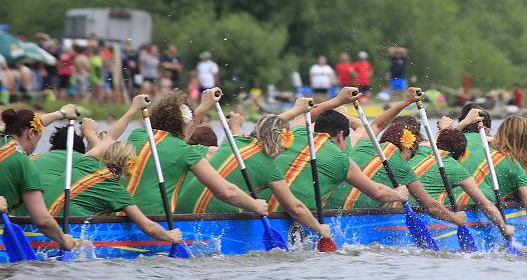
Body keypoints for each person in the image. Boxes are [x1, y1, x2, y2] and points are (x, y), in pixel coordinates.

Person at [176, 100, 333, 242]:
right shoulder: (269, 168)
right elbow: (295, 208)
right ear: (279, 139)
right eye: (288, 140)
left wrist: (296, 110)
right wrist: (319, 228)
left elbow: (269, 125)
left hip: (180, 217)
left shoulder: (235, 141)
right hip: (210, 224)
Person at [327, 88, 466, 227]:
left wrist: (405, 102)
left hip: (327, 215)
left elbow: (377, 124)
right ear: (411, 145)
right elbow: (431, 207)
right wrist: (456, 219)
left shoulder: (366, 144)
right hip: (355, 223)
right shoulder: (404, 168)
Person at [124, 88, 269, 216]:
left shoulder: (137, 135)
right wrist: (255, 205)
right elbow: (225, 192)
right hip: (156, 222)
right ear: (185, 123)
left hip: (118, 215)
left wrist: (205, 105)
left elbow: (183, 133)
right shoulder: (186, 152)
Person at [261, 87, 408, 211]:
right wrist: (399, 194)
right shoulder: (342, 160)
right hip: (296, 215)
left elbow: (302, 114)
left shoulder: (297, 134)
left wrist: (337, 101)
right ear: (340, 135)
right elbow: (377, 192)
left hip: (260, 209)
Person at [41, 119, 182, 246]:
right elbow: (148, 227)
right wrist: (169, 236)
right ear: (129, 166)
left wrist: (134, 109)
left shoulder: (87, 160)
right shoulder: (116, 191)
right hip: (66, 231)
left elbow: (110, 137)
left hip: (43, 224)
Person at [444, 104, 527, 244]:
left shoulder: (450, 145)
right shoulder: (511, 161)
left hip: (445, 210)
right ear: (488, 130)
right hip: (484, 214)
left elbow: (436, 146)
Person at [408, 127, 515, 239]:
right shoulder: (455, 168)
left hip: (396, 209)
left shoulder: (421, 149)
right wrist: (504, 227)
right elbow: (486, 205)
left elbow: (430, 141)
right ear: (462, 154)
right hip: (425, 215)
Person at [0, 107, 78, 251]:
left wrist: (61, 113)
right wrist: (63, 239)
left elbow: (32, 123)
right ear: (31, 134)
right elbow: (43, 221)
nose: (35, 147)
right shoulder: (23, 163)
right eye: (38, 140)